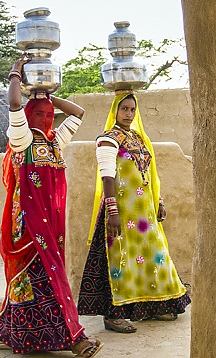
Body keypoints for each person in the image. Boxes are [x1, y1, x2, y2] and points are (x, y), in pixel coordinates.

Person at [0, 54, 103, 358]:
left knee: (44, 278)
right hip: (27, 225)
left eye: (48, 114)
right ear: (29, 116)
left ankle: (8, 332)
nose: (46, 118)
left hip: (51, 227)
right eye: (39, 113)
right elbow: (15, 105)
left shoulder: (56, 143)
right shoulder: (22, 140)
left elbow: (78, 112)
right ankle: (74, 338)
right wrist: (16, 74)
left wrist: (46, 94)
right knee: (38, 278)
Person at [77, 91, 191, 333]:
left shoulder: (139, 139)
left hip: (144, 214)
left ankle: (153, 307)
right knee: (119, 261)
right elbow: (107, 177)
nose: (129, 114)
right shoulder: (108, 140)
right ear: (114, 111)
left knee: (152, 257)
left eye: (132, 109)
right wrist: (112, 211)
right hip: (121, 212)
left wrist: (158, 200)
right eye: (124, 109)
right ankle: (112, 315)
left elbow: (149, 174)